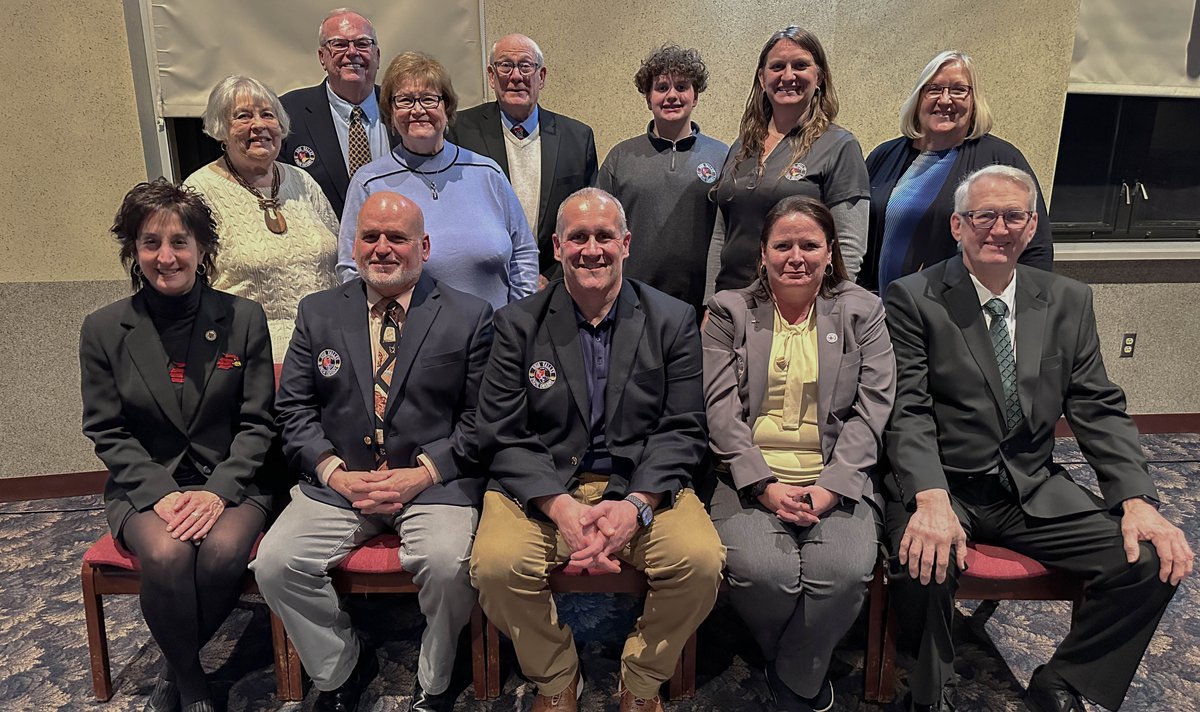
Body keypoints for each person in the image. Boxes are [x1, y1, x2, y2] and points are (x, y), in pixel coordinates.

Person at [883, 165, 1193, 712]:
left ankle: (1065, 682)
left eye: (1013, 217)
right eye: (984, 216)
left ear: (1031, 228)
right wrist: (929, 497)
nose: (998, 229)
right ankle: (931, 694)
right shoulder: (914, 298)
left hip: (1030, 485)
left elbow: (1097, 405)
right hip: (946, 480)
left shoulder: (1067, 300)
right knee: (921, 559)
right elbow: (908, 410)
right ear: (958, 225)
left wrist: (1136, 500)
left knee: (1148, 560)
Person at [469, 188, 724, 712]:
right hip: (542, 490)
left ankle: (642, 679)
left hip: (639, 486)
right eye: (578, 237)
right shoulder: (517, 325)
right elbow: (500, 430)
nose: (592, 249)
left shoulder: (672, 320)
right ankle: (557, 675)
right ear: (557, 247)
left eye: (604, 236)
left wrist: (637, 506)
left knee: (700, 562)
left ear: (626, 243)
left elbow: (682, 428)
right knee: (495, 565)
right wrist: (559, 506)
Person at [253, 191, 493, 712]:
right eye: (370, 236)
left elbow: (483, 420)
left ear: (423, 247)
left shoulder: (469, 315)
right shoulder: (317, 313)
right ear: (354, 245)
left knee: (451, 564)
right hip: (343, 484)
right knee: (275, 564)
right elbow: (293, 410)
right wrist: (334, 473)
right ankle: (340, 665)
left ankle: (435, 678)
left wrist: (423, 473)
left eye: (397, 237)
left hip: (433, 482)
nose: (382, 248)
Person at [80, 180, 279, 712]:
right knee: (167, 555)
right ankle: (192, 686)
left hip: (234, 478)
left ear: (202, 249)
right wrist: (161, 493)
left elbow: (259, 421)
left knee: (219, 553)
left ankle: (174, 663)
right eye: (150, 243)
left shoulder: (243, 318)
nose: (166, 257)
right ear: (133, 250)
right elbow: (106, 429)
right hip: (147, 480)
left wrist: (217, 491)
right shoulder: (103, 329)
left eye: (179, 242)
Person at [703, 195, 894, 712]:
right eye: (782, 244)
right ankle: (801, 661)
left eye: (809, 245)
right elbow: (719, 411)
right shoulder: (729, 311)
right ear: (762, 253)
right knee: (766, 574)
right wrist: (763, 484)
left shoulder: (864, 310)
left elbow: (873, 408)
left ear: (830, 251)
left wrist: (834, 485)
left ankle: (789, 671)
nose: (796, 256)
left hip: (837, 474)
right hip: (749, 476)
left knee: (845, 572)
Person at [337, 51, 538, 309]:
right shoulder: (369, 182)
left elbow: (524, 254)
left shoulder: (487, 172)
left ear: (447, 107)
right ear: (390, 112)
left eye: (429, 99)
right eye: (405, 101)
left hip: (497, 340)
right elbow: (351, 270)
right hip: (411, 344)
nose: (418, 110)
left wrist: (519, 320)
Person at [860, 50, 1054, 295]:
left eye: (958, 90)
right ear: (919, 98)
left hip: (954, 316)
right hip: (879, 310)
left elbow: (1036, 247)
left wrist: (1025, 311)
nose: (945, 100)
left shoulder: (1000, 159)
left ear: (974, 101)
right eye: (934, 89)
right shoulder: (885, 155)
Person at [184, 75, 340, 357]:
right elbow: (190, 286)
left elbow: (341, 259)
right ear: (222, 129)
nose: (258, 125)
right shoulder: (199, 192)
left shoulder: (303, 181)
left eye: (268, 115)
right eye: (243, 116)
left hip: (327, 350)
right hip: (250, 360)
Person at [712, 25, 869, 292]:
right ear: (762, 79)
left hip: (797, 303)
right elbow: (720, 233)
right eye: (777, 67)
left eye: (800, 65)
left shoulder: (839, 146)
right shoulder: (743, 145)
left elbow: (849, 247)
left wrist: (831, 307)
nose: (788, 75)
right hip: (730, 300)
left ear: (819, 76)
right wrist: (709, 300)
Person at [447, 33, 598, 282]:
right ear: (492, 76)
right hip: (485, 282)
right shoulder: (460, 132)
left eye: (525, 66)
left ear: (541, 76)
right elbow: (453, 213)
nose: (516, 76)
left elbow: (587, 220)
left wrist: (555, 280)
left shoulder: (578, 138)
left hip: (557, 286)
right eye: (506, 65)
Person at [596, 44, 728, 315]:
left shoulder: (722, 156)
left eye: (682, 87)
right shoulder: (621, 157)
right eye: (662, 87)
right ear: (648, 97)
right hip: (630, 302)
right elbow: (600, 230)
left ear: (695, 96)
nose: (672, 96)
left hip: (700, 306)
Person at [280, 8, 395, 218]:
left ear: (377, 55)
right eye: (339, 44)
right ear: (322, 57)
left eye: (362, 44)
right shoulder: (288, 113)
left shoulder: (402, 108)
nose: (352, 52)